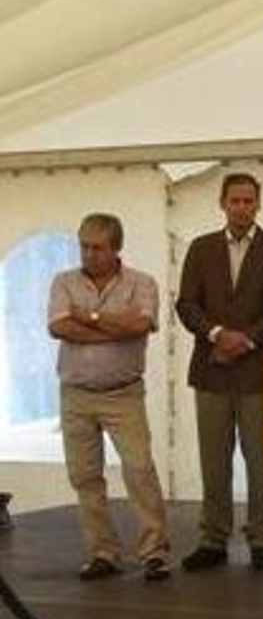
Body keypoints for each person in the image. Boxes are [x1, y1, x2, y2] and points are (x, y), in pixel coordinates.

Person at [176, 172, 263, 572]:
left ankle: (261, 538)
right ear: (222, 203)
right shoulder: (200, 248)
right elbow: (187, 304)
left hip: (257, 371)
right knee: (214, 460)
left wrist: (243, 341)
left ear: (258, 204)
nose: (242, 207)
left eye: (248, 201)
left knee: (260, 462)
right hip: (210, 370)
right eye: (235, 201)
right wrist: (216, 334)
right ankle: (213, 538)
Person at [47, 213, 172, 581]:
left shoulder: (141, 283)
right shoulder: (63, 281)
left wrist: (90, 316)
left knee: (139, 470)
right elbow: (57, 326)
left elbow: (140, 324)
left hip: (123, 395)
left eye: (97, 247)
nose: (88, 254)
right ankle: (103, 552)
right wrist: (113, 328)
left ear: (116, 247)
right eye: (83, 246)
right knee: (85, 476)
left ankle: (155, 551)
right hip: (75, 395)